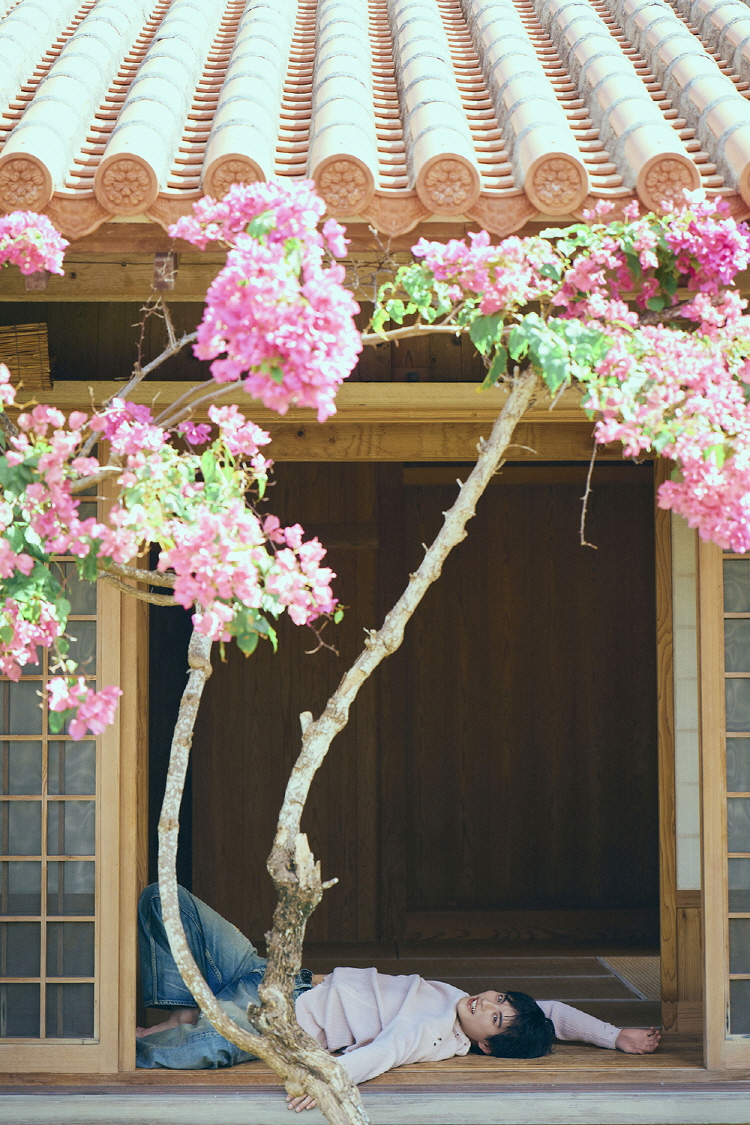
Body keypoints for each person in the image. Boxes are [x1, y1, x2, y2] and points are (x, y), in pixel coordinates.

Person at [136, 884, 661, 1111]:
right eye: (498, 997)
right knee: (165, 899)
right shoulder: (464, 1001)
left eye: (497, 1020)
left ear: (486, 1048)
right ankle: (186, 1008)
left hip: (268, 1021)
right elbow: (549, 1014)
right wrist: (614, 1036)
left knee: (174, 1054)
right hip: (273, 972)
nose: (487, 1004)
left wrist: (328, 1083)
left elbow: (380, 1055)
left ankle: (185, 1025)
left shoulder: (435, 1033)